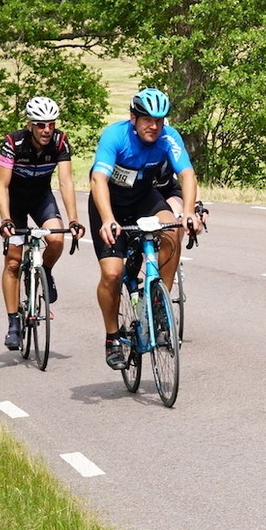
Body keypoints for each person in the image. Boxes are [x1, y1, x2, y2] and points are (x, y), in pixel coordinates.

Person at [89, 88, 199, 369]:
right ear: (133, 118)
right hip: (109, 204)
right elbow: (98, 179)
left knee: (172, 230)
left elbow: (187, 174)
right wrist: (107, 218)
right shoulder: (115, 136)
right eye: (148, 120)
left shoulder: (168, 137)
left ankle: (159, 306)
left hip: (142, 198)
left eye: (159, 120)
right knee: (112, 274)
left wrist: (188, 212)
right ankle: (112, 337)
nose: (154, 126)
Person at [0, 96, 83, 350]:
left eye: (51, 124)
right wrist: (5, 219)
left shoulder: (60, 142)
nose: (47, 130)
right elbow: (2, 185)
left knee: (57, 239)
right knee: (13, 261)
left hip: (41, 198)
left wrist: (74, 219)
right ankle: (13, 323)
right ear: (30, 125)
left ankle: (45, 272)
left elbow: (65, 182)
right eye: (41, 125)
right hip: (15, 202)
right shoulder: (13, 143)